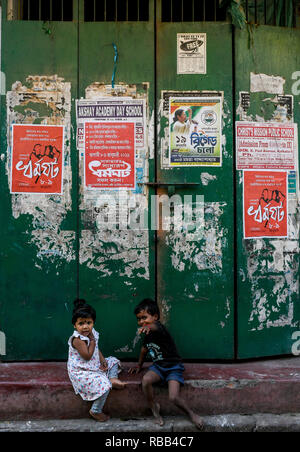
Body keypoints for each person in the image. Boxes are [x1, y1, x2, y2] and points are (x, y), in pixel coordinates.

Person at [129, 298, 203, 429]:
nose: (141, 322)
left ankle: (192, 414)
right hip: (158, 367)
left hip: (173, 368)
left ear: (155, 317)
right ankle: (154, 407)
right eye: (139, 319)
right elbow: (143, 350)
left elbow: (154, 326)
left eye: (144, 317)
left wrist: (148, 326)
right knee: (145, 380)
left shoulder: (159, 329)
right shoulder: (147, 334)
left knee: (173, 397)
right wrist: (139, 366)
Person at [67, 298, 126, 422]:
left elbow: (95, 349)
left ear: (93, 322)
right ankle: (96, 410)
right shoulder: (78, 339)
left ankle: (113, 378)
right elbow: (87, 356)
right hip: (82, 370)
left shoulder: (91, 332)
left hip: (93, 365)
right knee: (104, 386)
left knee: (113, 361)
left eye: (89, 322)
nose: (85, 327)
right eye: (81, 323)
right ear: (75, 325)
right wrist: (92, 341)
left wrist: (102, 360)